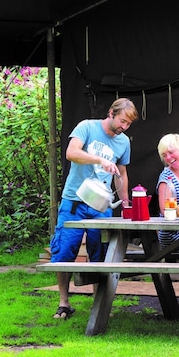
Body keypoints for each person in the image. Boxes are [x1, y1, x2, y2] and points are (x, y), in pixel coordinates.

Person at [50, 98, 139, 320]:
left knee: (99, 254)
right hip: (75, 201)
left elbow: (122, 173)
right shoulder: (87, 127)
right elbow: (71, 153)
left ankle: (97, 306)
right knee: (65, 251)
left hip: (101, 206)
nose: (124, 127)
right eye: (122, 121)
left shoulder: (123, 142)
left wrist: (126, 201)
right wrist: (99, 160)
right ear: (111, 113)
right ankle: (63, 302)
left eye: (128, 124)